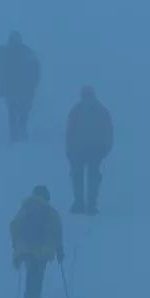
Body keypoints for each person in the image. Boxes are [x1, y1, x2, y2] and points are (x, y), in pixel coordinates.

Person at [9, 186, 64, 298]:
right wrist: (59, 250)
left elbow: (14, 225)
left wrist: (16, 243)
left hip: (27, 248)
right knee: (38, 276)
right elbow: (57, 231)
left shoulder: (26, 208)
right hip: (43, 249)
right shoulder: (50, 211)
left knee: (30, 273)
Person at [66, 86, 114, 215]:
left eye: (89, 95)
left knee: (93, 178)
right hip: (77, 151)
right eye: (85, 96)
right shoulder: (75, 111)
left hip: (95, 151)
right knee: (77, 177)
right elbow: (69, 131)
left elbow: (108, 131)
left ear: (93, 96)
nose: (87, 98)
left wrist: (106, 147)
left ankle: (91, 204)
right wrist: (68, 149)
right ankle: (79, 203)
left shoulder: (102, 112)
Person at [0, 30, 41, 143]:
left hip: (23, 88)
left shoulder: (26, 51)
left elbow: (36, 69)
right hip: (14, 89)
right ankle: (16, 133)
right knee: (14, 111)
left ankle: (19, 131)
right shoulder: (6, 52)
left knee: (20, 111)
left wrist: (33, 83)